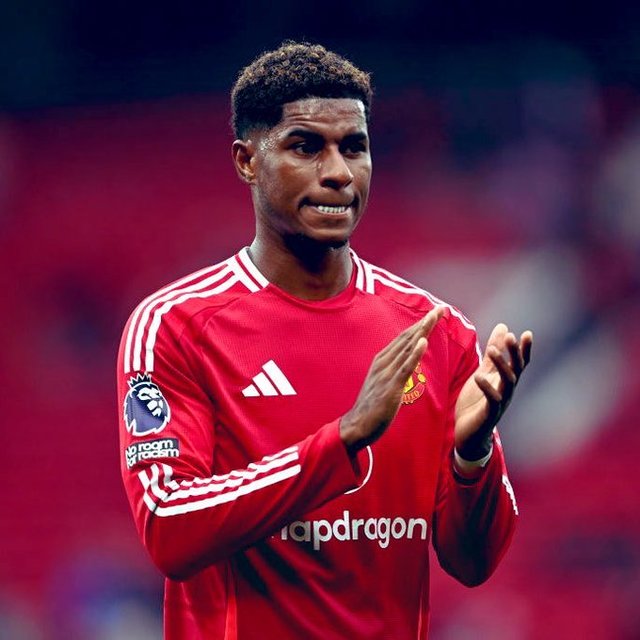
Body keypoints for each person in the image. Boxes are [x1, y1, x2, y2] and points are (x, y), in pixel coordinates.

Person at [117, 41, 532, 640]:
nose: (338, 172)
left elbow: (473, 564)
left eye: (354, 147)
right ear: (247, 161)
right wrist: (342, 440)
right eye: (306, 147)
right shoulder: (177, 325)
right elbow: (168, 526)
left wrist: (473, 458)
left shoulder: (435, 331)